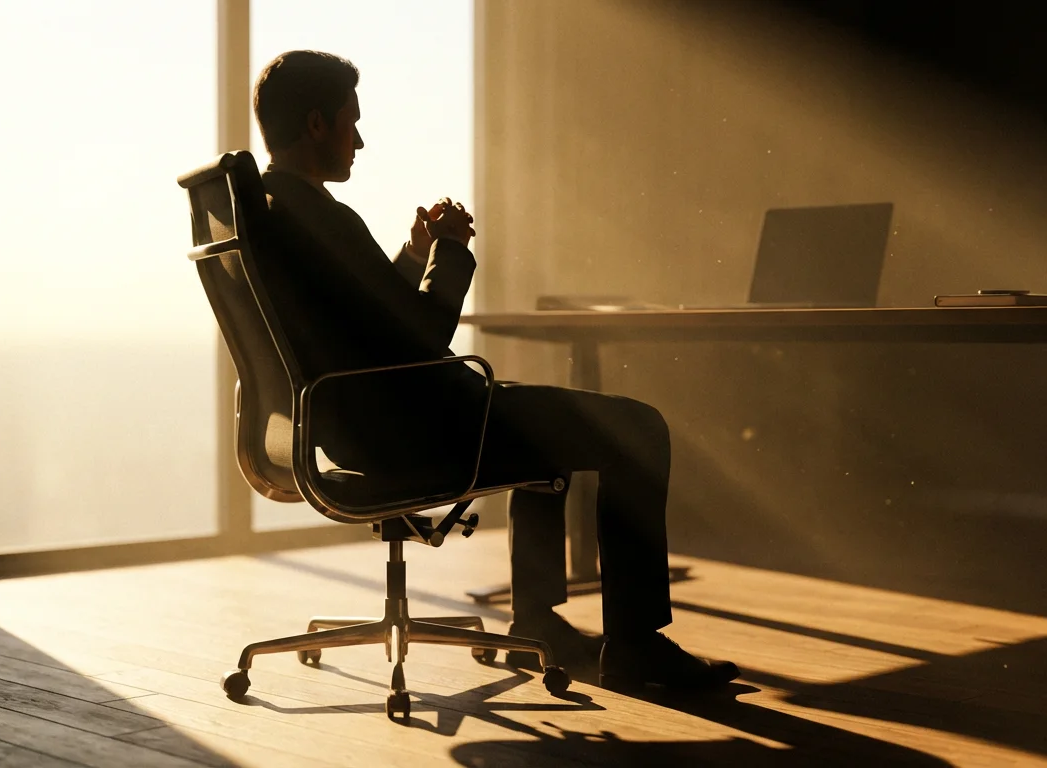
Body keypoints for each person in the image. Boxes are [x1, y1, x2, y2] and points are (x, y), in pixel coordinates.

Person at [250, 49, 739, 692]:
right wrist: (451, 251)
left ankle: (535, 623)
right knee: (638, 430)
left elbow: (367, 323)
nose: (360, 140)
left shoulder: (277, 212)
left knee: (550, 430)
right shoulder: (321, 216)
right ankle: (637, 646)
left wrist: (413, 253)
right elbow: (422, 332)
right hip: (414, 427)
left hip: (359, 422)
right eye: (351, 122)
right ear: (317, 124)